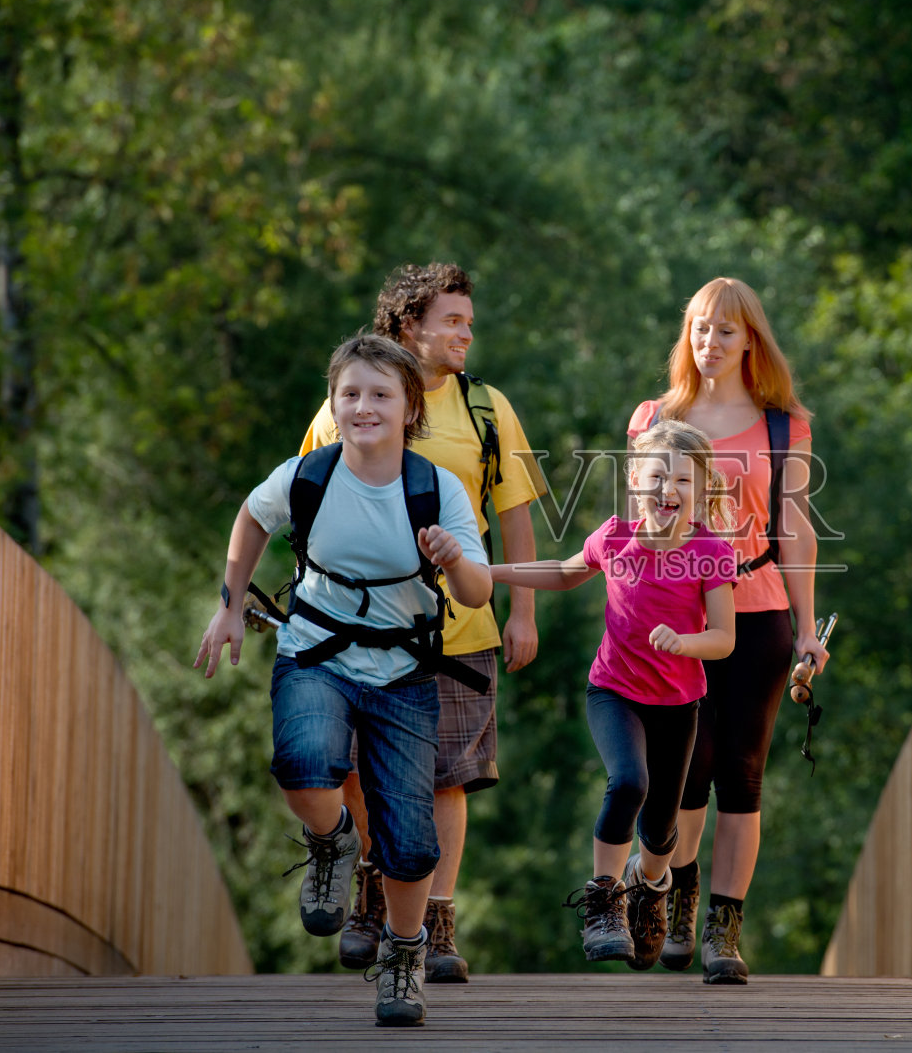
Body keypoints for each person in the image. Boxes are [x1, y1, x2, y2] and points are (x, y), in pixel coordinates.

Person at [195, 333, 492, 1026]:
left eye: (380, 395)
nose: (364, 407)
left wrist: (453, 558)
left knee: (411, 843)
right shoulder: (308, 476)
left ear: (409, 407)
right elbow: (251, 517)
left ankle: (404, 952)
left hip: (405, 673)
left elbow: (477, 593)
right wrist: (229, 607)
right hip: (315, 653)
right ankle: (330, 841)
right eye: (350, 393)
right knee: (304, 764)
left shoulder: (434, 488)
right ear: (332, 403)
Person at [299, 262, 542, 981]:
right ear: (409, 324)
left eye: (469, 322)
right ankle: (372, 901)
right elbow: (303, 502)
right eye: (454, 321)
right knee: (351, 772)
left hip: (462, 629)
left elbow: (516, 517)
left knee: (447, 781)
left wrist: (522, 609)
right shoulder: (351, 402)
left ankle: (436, 926)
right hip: (358, 630)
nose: (467, 334)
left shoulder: (488, 409)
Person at [626, 277, 829, 985]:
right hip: (674, 621)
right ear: (688, 334)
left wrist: (808, 629)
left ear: (751, 341)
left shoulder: (784, 425)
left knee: (742, 778)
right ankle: (677, 897)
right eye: (701, 329)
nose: (711, 343)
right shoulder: (653, 416)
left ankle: (723, 931)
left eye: (727, 331)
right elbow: (634, 531)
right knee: (685, 775)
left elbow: (794, 527)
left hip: (759, 610)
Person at [491, 420, 736, 970]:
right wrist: (492, 572)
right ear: (633, 480)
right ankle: (605, 900)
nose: (666, 490)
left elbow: (724, 640)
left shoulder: (711, 551)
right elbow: (560, 571)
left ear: (700, 493)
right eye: (655, 477)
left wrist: (685, 641)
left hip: (678, 705)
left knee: (661, 832)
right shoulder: (613, 537)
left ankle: (650, 890)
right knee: (629, 782)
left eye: (682, 481)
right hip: (614, 693)